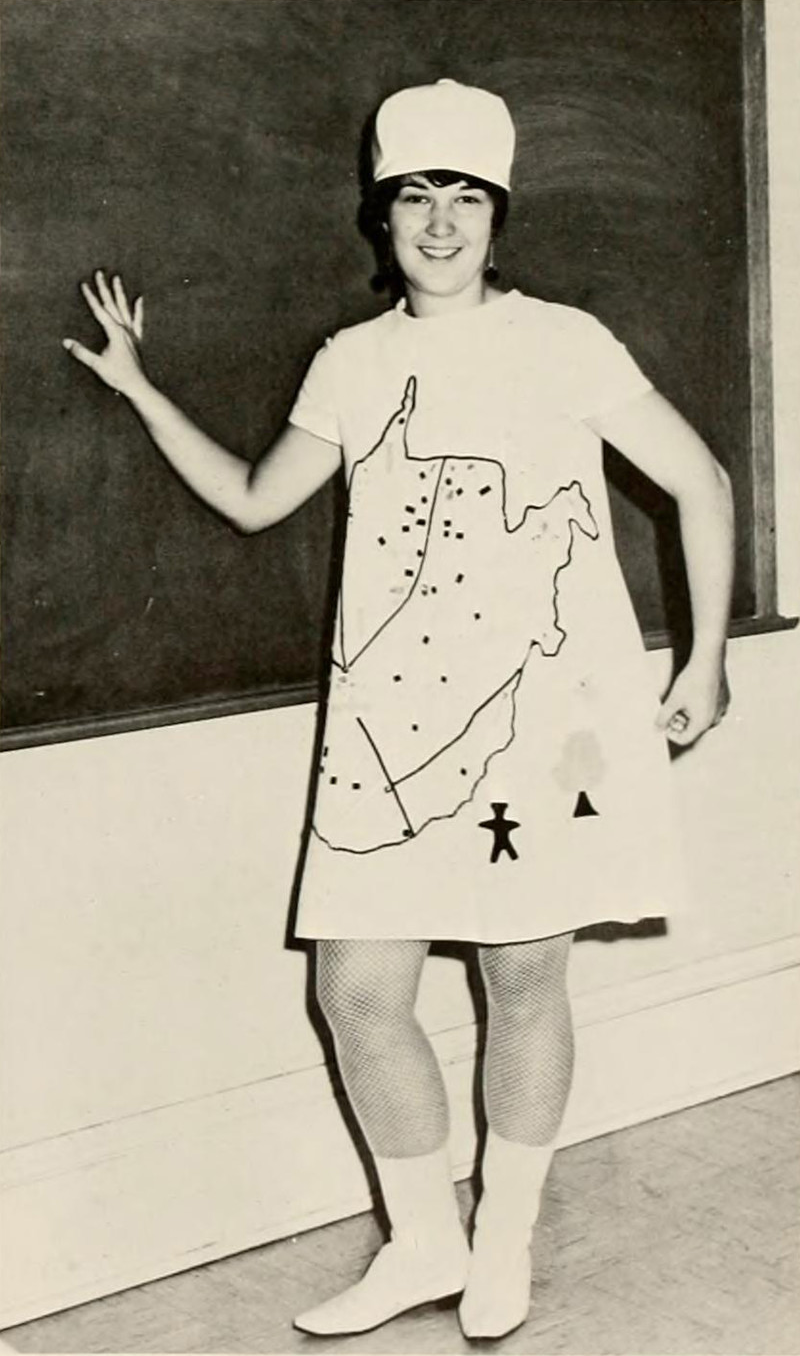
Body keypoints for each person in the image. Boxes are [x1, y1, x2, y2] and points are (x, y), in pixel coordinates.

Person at [63, 79, 733, 1341]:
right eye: (414, 196)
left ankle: (503, 1241)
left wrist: (701, 662)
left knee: (520, 973)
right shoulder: (352, 361)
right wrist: (142, 390)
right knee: (359, 992)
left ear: (497, 214)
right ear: (381, 217)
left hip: (541, 716)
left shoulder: (564, 341)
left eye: (464, 197)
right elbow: (257, 500)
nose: (438, 221)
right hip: (389, 728)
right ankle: (424, 1241)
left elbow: (697, 480)